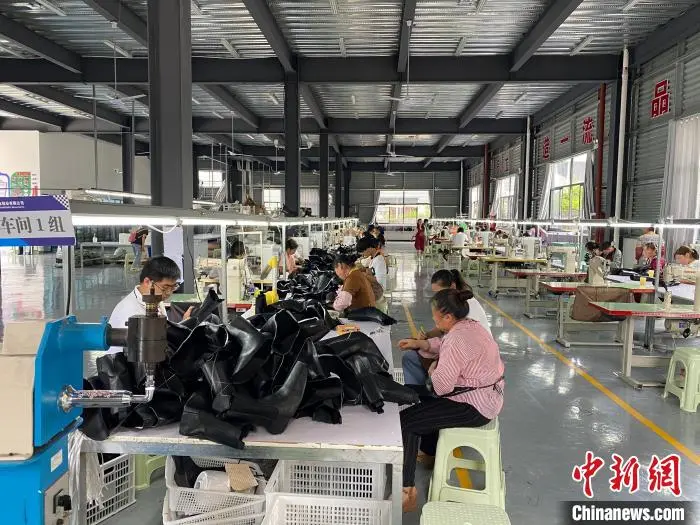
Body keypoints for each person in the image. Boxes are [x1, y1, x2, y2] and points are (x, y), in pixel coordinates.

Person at [398, 289, 505, 512]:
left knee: (407, 421)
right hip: (489, 397)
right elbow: (443, 343)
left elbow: (442, 387)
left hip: (472, 405)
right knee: (420, 404)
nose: (434, 321)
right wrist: (421, 344)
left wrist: (433, 369)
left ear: (447, 317)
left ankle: (407, 490)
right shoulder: (471, 326)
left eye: (435, 316)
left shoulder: (457, 338)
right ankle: (429, 453)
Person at [402, 270, 491, 386]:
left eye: (440, 292)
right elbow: (443, 332)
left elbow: (454, 346)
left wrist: (437, 362)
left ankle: (419, 393)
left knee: (412, 358)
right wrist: (426, 336)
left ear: (452, 286)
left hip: (473, 364)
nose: (437, 297)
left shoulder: (467, 309)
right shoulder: (455, 303)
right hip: (464, 354)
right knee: (415, 354)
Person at [108, 256, 190, 354]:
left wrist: (182, 325)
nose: (169, 293)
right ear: (147, 282)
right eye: (165, 288)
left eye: (173, 287)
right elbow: (137, 352)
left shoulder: (154, 298)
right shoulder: (130, 312)